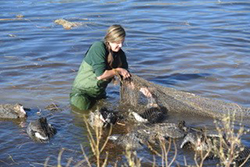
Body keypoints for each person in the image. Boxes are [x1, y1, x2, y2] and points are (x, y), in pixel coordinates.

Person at [70, 25, 131, 110]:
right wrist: (118, 70)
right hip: (81, 92)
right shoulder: (98, 47)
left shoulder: (121, 55)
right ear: (109, 39)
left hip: (99, 95)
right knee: (82, 108)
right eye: (117, 42)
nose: (120, 45)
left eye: (122, 42)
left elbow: (127, 79)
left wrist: (142, 89)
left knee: (106, 110)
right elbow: (101, 75)